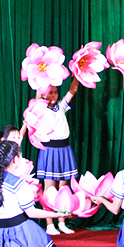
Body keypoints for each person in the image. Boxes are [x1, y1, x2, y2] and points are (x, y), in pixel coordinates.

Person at [0, 140, 69, 247]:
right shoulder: (19, 184)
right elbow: (31, 212)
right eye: (20, 156)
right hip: (18, 228)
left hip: (1, 229)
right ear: (15, 160)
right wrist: (56, 215)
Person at [36, 79, 80, 235]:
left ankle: (61, 222)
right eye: (50, 92)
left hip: (64, 149)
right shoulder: (40, 108)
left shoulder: (61, 107)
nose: (53, 95)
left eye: (55, 92)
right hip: (49, 149)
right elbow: (38, 94)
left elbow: (73, 90)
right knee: (49, 189)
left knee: (63, 188)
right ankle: (49, 224)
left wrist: (77, 74)